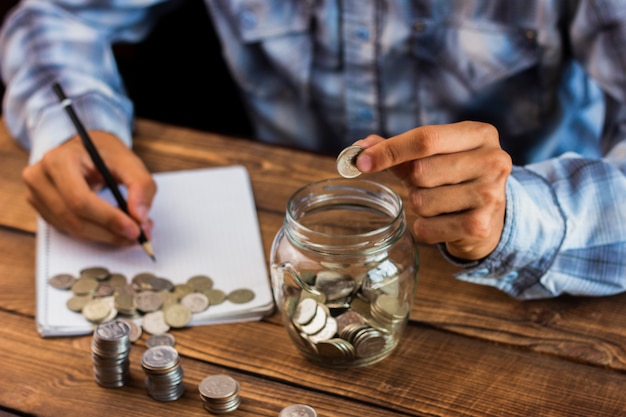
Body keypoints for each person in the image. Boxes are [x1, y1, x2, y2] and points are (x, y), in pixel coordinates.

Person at [1, 0, 625, 300]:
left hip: (514, 251)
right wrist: (72, 124)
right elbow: (56, 14)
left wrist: (522, 216)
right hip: (284, 211)